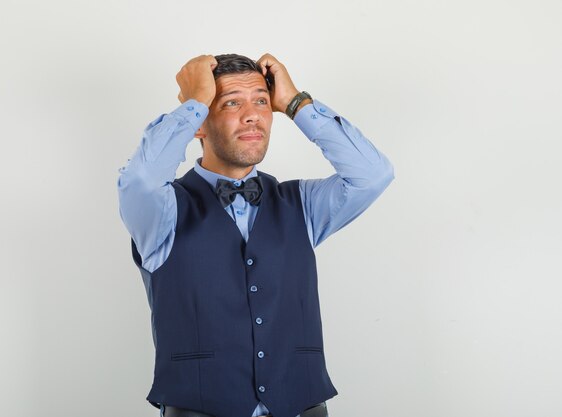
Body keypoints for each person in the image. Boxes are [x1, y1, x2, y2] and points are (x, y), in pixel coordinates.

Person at [117, 53, 394, 417]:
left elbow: (372, 174)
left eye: (261, 101)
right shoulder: (162, 211)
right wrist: (195, 101)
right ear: (198, 124)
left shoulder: (302, 204)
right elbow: (140, 179)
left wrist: (296, 104)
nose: (253, 115)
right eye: (232, 102)